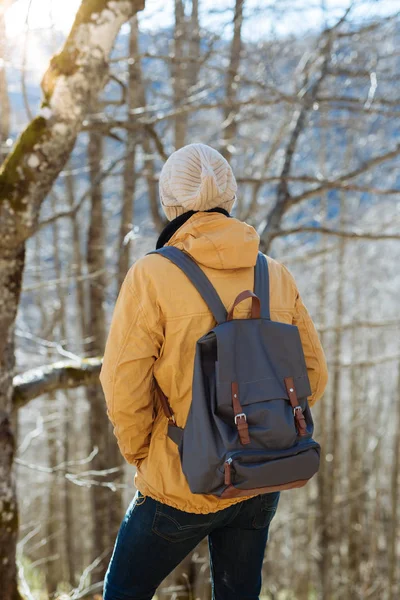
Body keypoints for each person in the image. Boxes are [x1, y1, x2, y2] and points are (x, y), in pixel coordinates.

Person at [99, 143, 328, 600]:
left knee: (122, 591)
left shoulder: (153, 275)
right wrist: (262, 431)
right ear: (231, 197)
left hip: (182, 478)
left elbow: (122, 384)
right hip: (261, 475)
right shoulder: (274, 273)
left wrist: (146, 455)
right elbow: (313, 375)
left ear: (171, 204)